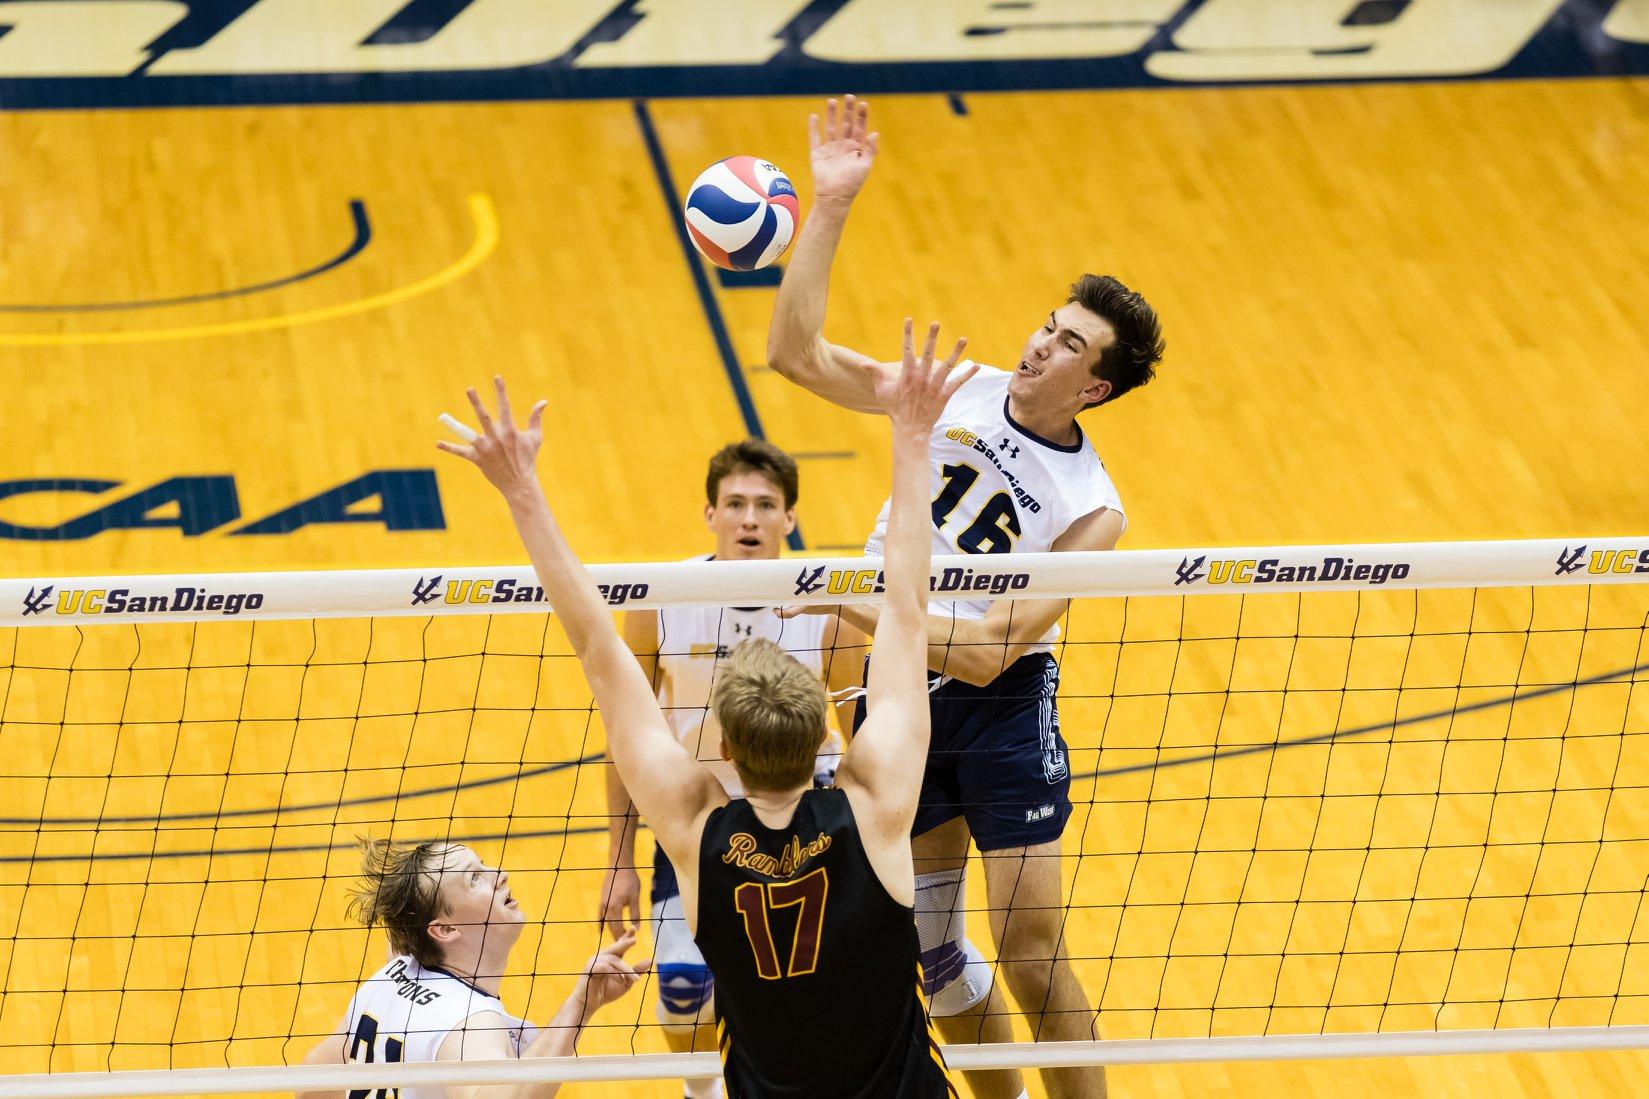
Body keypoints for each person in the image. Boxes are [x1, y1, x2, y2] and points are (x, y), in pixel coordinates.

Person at [439, 322, 969, 1096]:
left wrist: (521, 489)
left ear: (723, 744)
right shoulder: (877, 804)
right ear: (817, 727)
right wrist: (912, 433)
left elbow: (594, 644)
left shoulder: (695, 829)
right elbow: (908, 610)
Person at [766, 96, 1166, 1099]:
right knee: (936, 958)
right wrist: (830, 204)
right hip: (896, 698)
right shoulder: (956, 386)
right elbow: (794, 355)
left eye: (1068, 344)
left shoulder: (1092, 511)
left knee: (1025, 949)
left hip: (993, 711)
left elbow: (990, 649)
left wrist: (851, 598)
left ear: (1095, 388)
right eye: (1046, 324)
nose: (1039, 344)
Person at [598, 439, 865, 1099]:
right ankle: (701, 1090)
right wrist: (618, 858)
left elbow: (860, 741)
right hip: (690, 816)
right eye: (736, 504)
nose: (750, 518)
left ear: (789, 519)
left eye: (765, 505)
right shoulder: (659, 599)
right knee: (684, 990)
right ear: (709, 514)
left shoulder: (831, 611)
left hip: (805, 817)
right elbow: (624, 737)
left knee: (805, 992)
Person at [298, 838, 647, 1099]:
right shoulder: (470, 1021)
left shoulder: (386, 979)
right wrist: (579, 1003)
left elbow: (310, 1085)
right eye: (474, 879)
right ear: (445, 929)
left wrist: (582, 1007)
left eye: (484, 865)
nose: (500, 875)